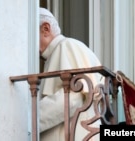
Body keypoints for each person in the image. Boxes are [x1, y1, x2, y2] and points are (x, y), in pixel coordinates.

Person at [39, 7, 102, 141]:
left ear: (45, 29)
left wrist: (27, 119)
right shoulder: (60, 50)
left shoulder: (66, 45)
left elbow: (73, 97)